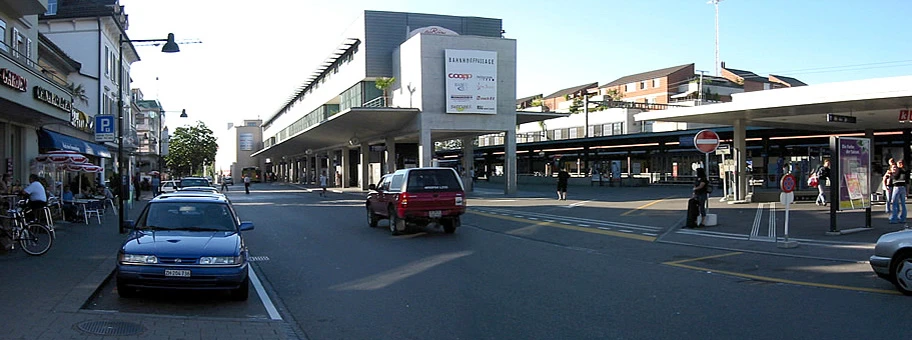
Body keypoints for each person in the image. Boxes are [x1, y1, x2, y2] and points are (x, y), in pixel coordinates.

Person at [890, 159, 908, 225]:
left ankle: (894, 218)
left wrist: (892, 174)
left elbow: (895, 177)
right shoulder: (905, 170)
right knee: (903, 204)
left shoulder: (899, 170)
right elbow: (907, 181)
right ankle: (903, 218)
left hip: (897, 187)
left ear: (900, 164)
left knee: (894, 203)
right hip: (903, 187)